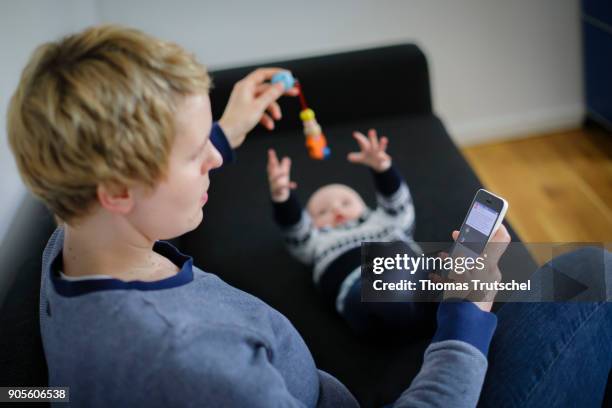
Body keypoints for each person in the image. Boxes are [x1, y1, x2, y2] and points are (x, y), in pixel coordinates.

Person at [7, 25, 611, 407]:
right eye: (197, 156)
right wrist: (463, 320)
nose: (217, 160)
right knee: (592, 272)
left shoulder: (73, 234)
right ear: (117, 190)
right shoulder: (191, 361)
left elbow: (31, 394)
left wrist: (225, 126)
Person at [267, 129, 438, 335]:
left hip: (412, 276)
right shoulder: (318, 241)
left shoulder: (382, 221)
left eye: (346, 202)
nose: (336, 210)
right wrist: (283, 199)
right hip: (361, 292)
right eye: (323, 212)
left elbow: (397, 202)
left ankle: (448, 300)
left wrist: (383, 169)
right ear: (311, 224)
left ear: (365, 206)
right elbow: (295, 230)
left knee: (445, 267)